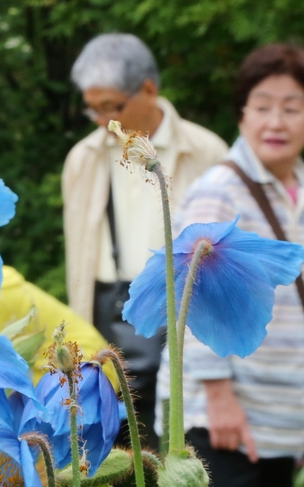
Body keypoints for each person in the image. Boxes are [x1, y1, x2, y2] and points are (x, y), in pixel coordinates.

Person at [161, 44, 304, 487]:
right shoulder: (219, 189)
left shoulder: (297, 186)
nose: (278, 121)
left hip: (282, 418)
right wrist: (217, 396)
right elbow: (190, 298)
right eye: (264, 106)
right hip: (226, 416)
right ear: (242, 115)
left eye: (293, 107)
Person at [63, 33, 228, 449]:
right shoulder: (83, 157)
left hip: (184, 312)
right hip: (107, 315)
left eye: (112, 106)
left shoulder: (206, 150)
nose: (101, 119)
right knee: (115, 450)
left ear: (149, 90)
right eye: (92, 108)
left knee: (179, 446)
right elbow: (78, 260)